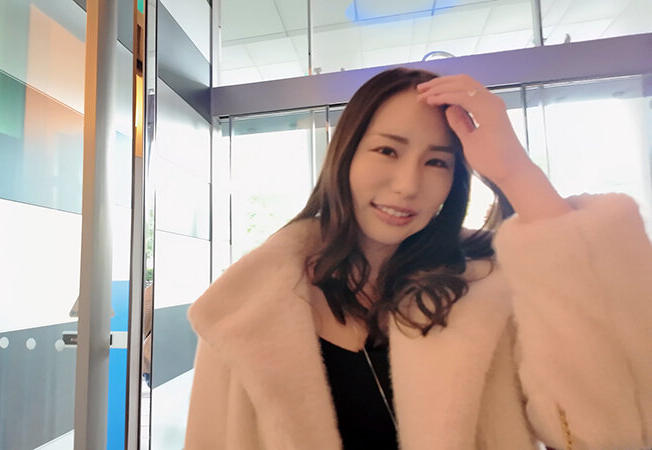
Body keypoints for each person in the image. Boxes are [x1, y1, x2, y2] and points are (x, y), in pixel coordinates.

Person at [183, 68, 652, 449]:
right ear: (345, 154)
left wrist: (516, 172)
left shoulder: (487, 291)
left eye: (437, 162)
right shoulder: (245, 309)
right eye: (387, 150)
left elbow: (607, 430)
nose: (408, 185)